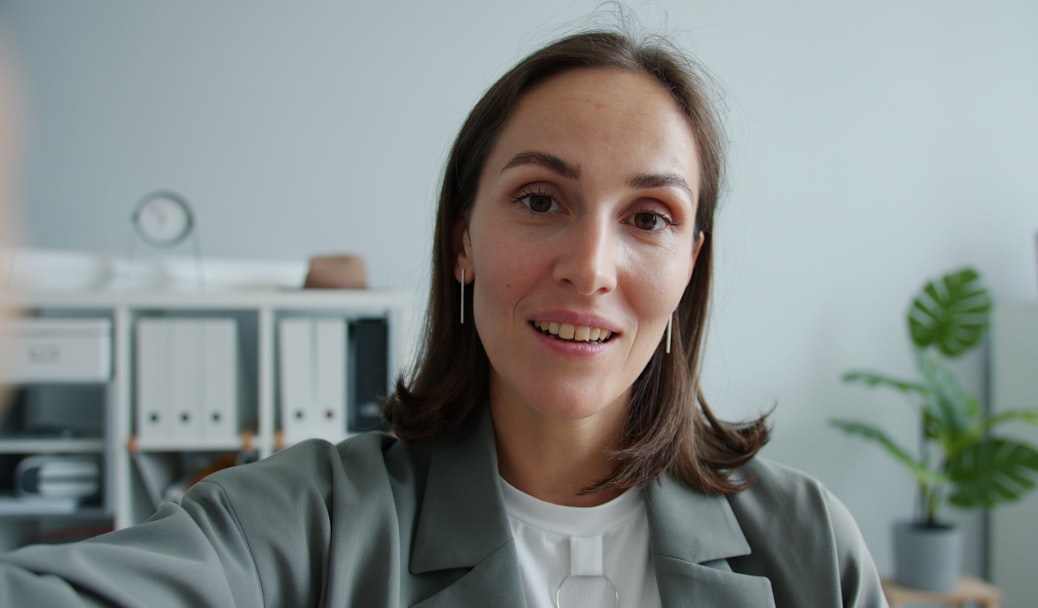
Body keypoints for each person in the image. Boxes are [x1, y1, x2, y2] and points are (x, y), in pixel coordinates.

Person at [0, 26, 887, 607]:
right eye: (540, 200)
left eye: (649, 217)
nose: (588, 266)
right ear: (463, 238)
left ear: (691, 266)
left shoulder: (808, 547)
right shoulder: (308, 524)